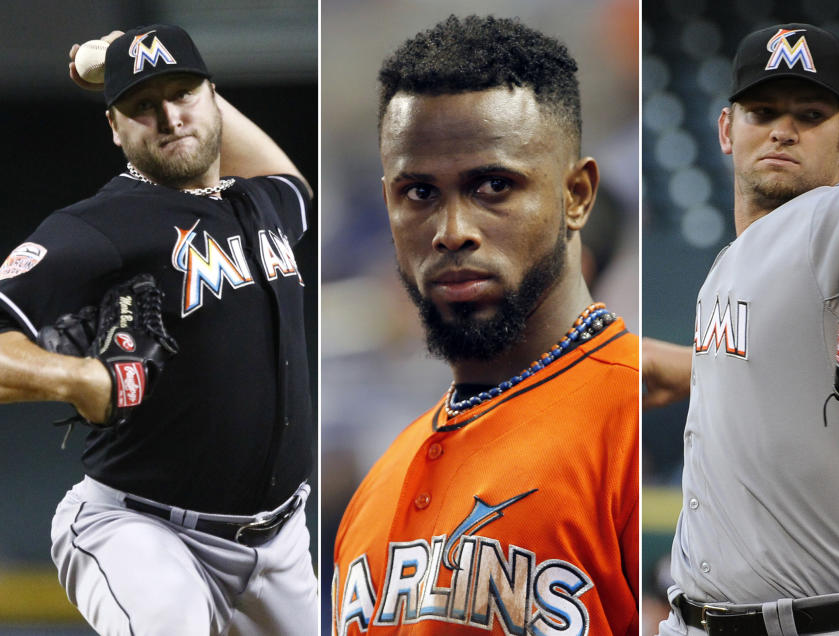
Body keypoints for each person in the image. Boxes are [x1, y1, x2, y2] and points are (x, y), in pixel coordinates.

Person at [644, 23, 839, 635]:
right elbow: (784, 359)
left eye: (809, 114)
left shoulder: (836, 218)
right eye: (762, 111)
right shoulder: (734, 260)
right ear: (725, 129)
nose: (783, 129)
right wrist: (689, 368)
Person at [0, 25, 317, 634]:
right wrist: (80, 378)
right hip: (142, 529)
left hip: (281, 545)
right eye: (143, 106)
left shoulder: (257, 204)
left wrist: (113, 59)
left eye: (183, 94)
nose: (170, 117)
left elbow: (293, 183)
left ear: (213, 96)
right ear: (115, 129)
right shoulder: (100, 224)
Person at [331, 15, 639, 634]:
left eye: (494, 185)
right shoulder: (379, 485)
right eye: (418, 193)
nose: (451, 231)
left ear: (577, 194)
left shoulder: (632, 416)